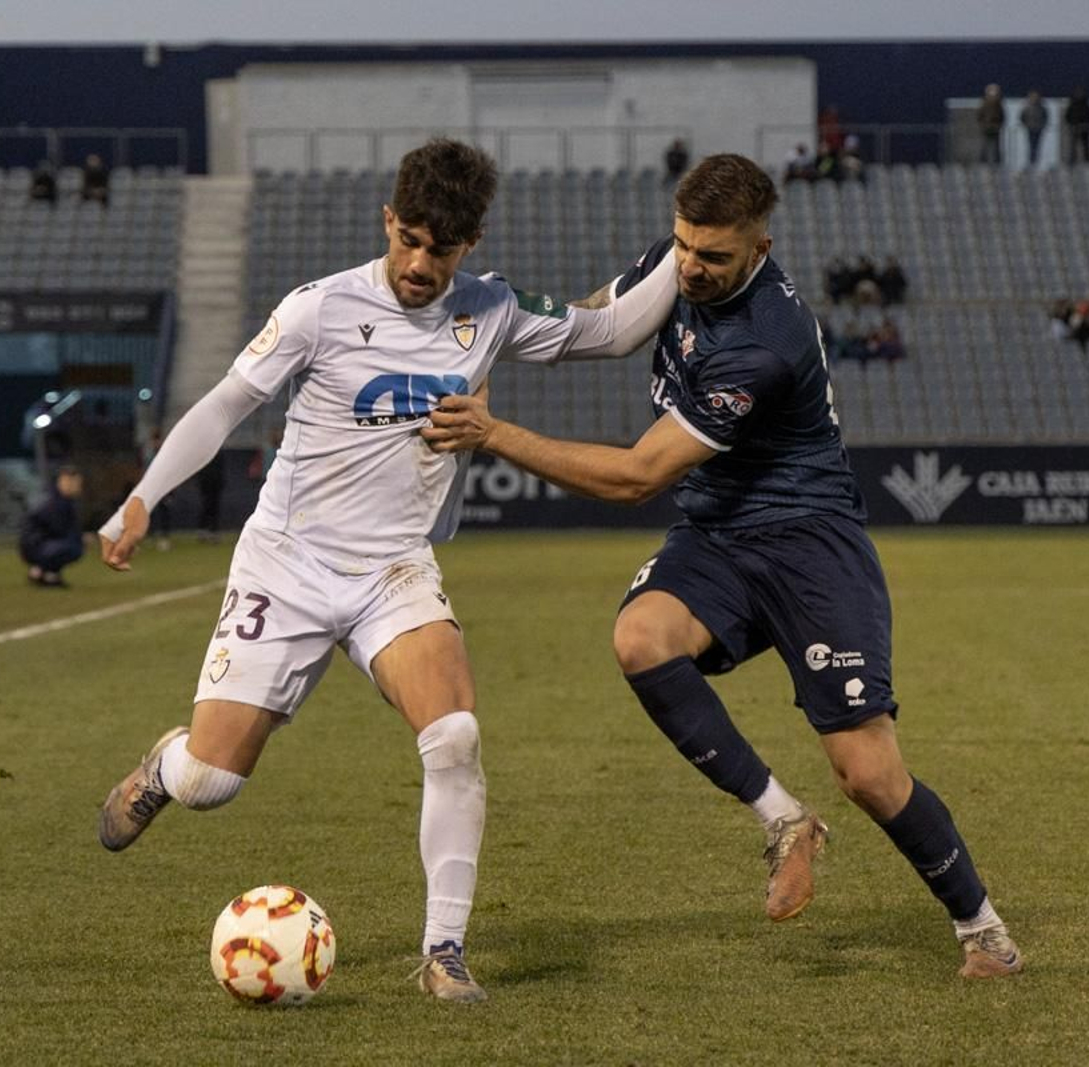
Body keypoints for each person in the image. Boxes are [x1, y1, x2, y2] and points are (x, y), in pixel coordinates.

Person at [91, 138, 678, 1003]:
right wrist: (143, 498)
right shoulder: (320, 309)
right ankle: (161, 769)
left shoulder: (493, 310)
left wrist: (681, 234)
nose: (418, 262)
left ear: (468, 245)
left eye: (439, 248)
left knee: (455, 735)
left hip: (393, 569)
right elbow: (224, 404)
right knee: (212, 781)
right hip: (286, 563)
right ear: (389, 221)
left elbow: (614, 328)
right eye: (407, 238)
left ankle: (443, 949)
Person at [422, 154, 1023, 980]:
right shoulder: (671, 263)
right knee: (641, 638)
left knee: (868, 771)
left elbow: (636, 478)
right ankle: (782, 819)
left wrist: (493, 432)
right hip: (718, 533)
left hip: (810, 543)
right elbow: (598, 318)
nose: (692, 270)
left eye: (714, 258)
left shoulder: (765, 343)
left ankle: (981, 928)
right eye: (683, 248)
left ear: (761, 248)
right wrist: (496, 327)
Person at [20, 464, 86, 587]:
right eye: (75, 482)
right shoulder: (55, 502)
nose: (78, 486)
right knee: (73, 547)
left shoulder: (62, 500)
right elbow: (58, 529)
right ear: (64, 481)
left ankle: (47, 574)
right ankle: (39, 571)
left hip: (39, 544)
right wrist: (81, 537)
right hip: (35, 546)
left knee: (73, 544)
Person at [1064, 87, 1089, 164]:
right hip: (1074, 128)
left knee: (1086, 146)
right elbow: (1067, 116)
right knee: (1073, 146)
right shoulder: (1071, 105)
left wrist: (1087, 125)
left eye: (1081, 93)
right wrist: (1071, 125)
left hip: (1084, 128)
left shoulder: (1087, 105)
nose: (1079, 95)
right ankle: (1072, 162)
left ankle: (1087, 162)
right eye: (1077, 93)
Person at [976, 84, 1005, 165]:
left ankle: (997, 162)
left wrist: (998, 125)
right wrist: (983, 125)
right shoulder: (984, 103)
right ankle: (983, 162)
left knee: (996, 146)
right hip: (986, 128)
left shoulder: (999, 104)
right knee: (985, 145)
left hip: (995, 128)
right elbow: (979, 115)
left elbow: (1002, 116)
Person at [1019, 90, 1048, 168]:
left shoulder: (1041, 108)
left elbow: (1045, 117)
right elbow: (1022, 117)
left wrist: (1042, 125)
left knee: (1037, 145)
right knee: (1031, 145)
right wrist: (1026, 125)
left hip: (1038, 128)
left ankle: (1036, 162)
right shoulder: (1027, 108)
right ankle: (1031, 161)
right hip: (1030, 128)